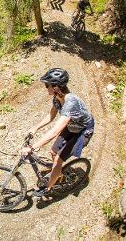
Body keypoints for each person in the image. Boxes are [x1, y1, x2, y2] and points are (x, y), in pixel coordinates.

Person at [21, 68, 95, 198]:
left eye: (47, 85)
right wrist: (35, 127)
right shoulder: (57, 98)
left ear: (55, 87)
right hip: (72, 126)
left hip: (83, 131)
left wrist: (33, 147)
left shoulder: (70, 103)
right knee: (53, 152)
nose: (45, 88)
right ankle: (58, 174)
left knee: (57, 161)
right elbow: (51, 115)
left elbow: (55, 131)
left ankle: (48, 189)